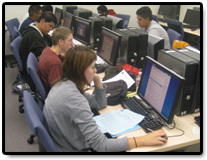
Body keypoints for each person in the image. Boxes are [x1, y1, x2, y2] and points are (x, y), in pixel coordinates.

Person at [43, 45, 168, 152]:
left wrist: (96, 79)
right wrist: (142, 140)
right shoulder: (73, 98)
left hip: (65, 141)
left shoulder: (65, 83)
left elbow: (100, 104)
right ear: (80, 71)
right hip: (75, 148)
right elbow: (101, 145)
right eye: (92, 67)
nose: (95, 70)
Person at [19, 12, 57, 92]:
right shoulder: (33, 36)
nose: (50, 29)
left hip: (32, 71)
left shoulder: (36, 30)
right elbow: (43, 59)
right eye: (50, 26)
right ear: (42, 21)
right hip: (34, 76)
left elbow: (50, 40)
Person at [37, 26, 74, 97]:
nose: (72, 44)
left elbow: (61, 58)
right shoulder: (55, 63)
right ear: (60, 42)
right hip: (53, 96)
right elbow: (58, 91)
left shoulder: (47, 50)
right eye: (70, 41)